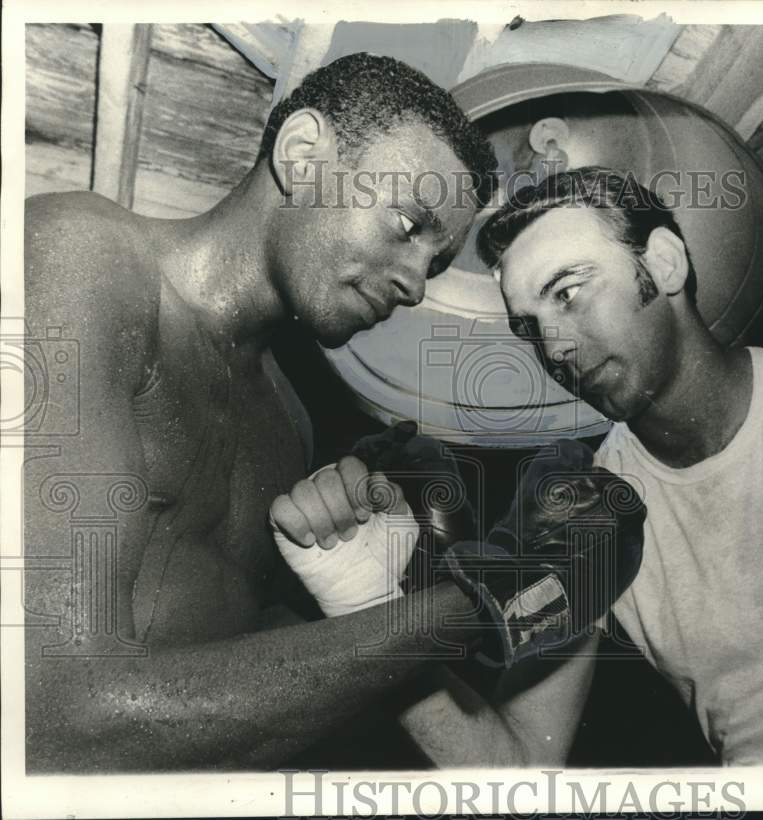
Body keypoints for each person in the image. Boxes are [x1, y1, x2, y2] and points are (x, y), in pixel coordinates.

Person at [22, 55, 645, 772]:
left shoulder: (289, 420)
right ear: (303, 156)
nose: (414, 285)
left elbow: (230, 669)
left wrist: (377, 589)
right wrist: (488, 597)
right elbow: (49, 714)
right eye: (408, 225)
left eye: (436, 266)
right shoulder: (84, 255)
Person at [286, 166, 763, 765]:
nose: (552, 345)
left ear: (666, 264)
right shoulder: (588, 515)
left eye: (568, 292)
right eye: (528, 326)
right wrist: (374, 615)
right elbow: (520, 768)